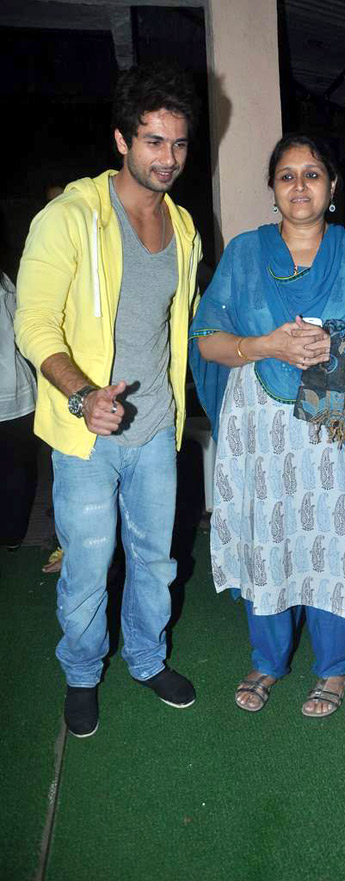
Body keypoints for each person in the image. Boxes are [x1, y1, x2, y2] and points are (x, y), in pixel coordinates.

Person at [15, 64, 202, 738]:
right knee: (89, 568)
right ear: (122, 139)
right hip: (86, 435)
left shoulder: (183, 229)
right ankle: (82, 672)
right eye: (154, 141)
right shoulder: (69, 218)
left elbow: (177, 322)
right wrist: (85, 394)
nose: (168, 159)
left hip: (154, 431)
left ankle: (148, 659)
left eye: (179, 144)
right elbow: (34, 323)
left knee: (156, 559)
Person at [190, 134, 345, 717]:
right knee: (267, 532)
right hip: (260, 424)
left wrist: (341, 342)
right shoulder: (246, 255)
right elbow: (208, 340)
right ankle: (268, 659)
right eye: (287, 176)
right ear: (273, 190)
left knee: (328, 537)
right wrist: (264, 343)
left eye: (312, 174)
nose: (300, 186)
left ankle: (334, 667)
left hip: (330, 420)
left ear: (332, 187)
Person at [0, 269, 37, 549]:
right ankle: (12, 533)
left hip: (14, 392)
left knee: (16, 466)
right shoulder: (5, 281)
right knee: (17, 466)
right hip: (14, 390)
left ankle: (12, 533)